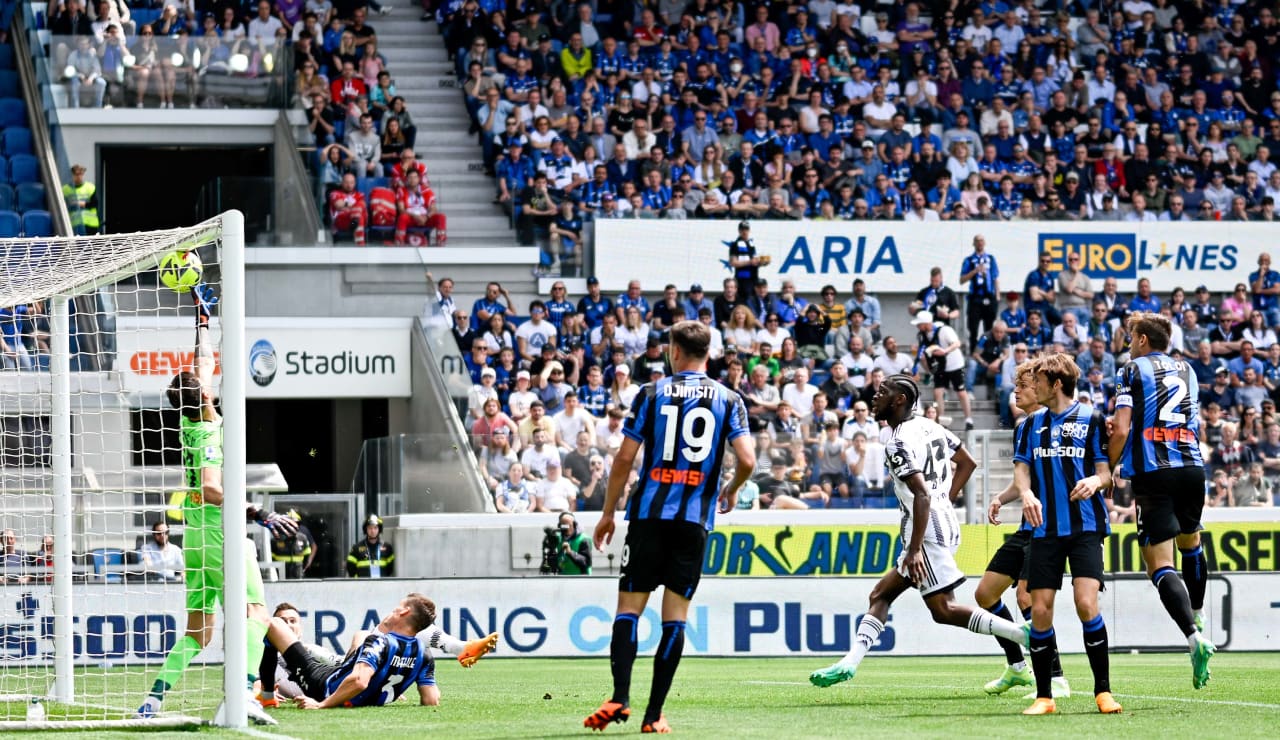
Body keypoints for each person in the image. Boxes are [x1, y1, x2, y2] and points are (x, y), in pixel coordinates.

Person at [584, 320, 755, 734]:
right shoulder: (730, 399)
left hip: (648, 517)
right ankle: (653, 715)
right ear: (708, 353)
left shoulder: (650, 393)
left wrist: (608, 512)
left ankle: (620, 697)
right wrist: (730, 490)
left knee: (629, 609)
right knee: (675, 619)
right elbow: (747, 459)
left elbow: (624, 459)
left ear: (674, 352)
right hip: (693, 521)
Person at [139, 283, 298, 725]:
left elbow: (202, 364)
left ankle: (153, 700)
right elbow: (212, 487)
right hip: (218, 531)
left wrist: (202, 320)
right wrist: (258, 512)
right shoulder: (209, 433)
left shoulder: (190, 419)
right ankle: (245, 693)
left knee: (199, 630)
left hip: (194, 539)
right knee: (255, 613)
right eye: (206, 384)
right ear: (205, 395)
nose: (209, 380)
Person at [808, 374, 1028, 689]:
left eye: (882, 392)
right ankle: (850, 662)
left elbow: (922, 495)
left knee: (943, 609)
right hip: (942, 522)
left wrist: (913, 550)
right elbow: (967, 463)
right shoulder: (931, 426)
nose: (874, 396)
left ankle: (1022, 635)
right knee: (881, 594)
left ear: (899, 400)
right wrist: (946, 499)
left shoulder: (896, 442)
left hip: (924, 531)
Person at [1107, 312, 1216, 688]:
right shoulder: (1188, 370)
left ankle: (1192, 636)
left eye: (1130, 336)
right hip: (1192, 467)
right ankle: (1199, 614)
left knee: (1160, 565)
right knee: (1191, 541)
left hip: (1154, 472)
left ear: (1140, 339)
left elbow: (1121, 427)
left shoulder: (1132, 369)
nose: (1127, 342)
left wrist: (1109, 465)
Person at [1012, 353, 1121, 716]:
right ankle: (1045, 697)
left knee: (1086, 604)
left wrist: (1095, 480)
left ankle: (1103, 692)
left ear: (1056, 383)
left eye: (1038, 380)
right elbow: (1022, 470)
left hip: (1086, 527)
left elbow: (1106, 473)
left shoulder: (1091, 419)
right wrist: (1026, 493)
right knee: (1040, 610)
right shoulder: (1029, 425)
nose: (1033, 384)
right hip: (1045, 529)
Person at [977, 359, 1069, 697]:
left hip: (1048, 527)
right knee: (985, 594)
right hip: (1026, 526)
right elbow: (1023, 479)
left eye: (1023, 387)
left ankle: (1057, 678)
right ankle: (1017, 667)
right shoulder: (1025, 426)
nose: (1016, 391)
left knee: (1027, 597)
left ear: (1042, 389)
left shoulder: (1058, 423)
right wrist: (1001, 498)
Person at [256, 601, 498, 707]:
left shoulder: (311, 650)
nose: (288, 625)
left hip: (330, 683)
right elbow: (256, 679)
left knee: (362, 635)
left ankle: (461, 648)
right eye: (285, 620)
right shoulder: (265, 655)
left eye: (292, 620)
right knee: (377, 631)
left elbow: (344, 667)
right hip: (337, 679)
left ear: (301, 625)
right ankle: (460, 648)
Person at [913, 310, 974, 430]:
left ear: (926, 323)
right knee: (938, 393)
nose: (918, 327)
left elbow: (957, 343)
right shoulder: (922, 335)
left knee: (961, 392)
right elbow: (923, 353)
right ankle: (941, 420)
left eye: (919, 324)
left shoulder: (944, 330)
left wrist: (945, 351)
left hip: (954, 364)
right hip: (939, 366)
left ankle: (968, 419)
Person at [960, 234, 1000, 352]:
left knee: (989, 327)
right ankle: (973, 352)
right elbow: (962, 280)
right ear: (974, 243)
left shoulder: (991, 259)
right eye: (977, 241)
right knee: (973, 329)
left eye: (982, 240)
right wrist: (975, 271)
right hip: (975, 298)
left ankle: (988, 352)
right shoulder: (969, 260)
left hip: (989, 296)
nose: (980, 243)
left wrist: (997, 296)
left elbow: (996, 278)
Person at [269, 510, 316, 580]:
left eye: (296, 524)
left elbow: (307, 555)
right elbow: (270, 559)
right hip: (281, 576)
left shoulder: (302, 538)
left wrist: (302, 569)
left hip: (298, 575)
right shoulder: (276, 539)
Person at [727, 221, 766, 297]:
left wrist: (762, 262)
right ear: (739, 231)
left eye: (746, 229)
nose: (744, 232)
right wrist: (750, 262)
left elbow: (754, 261)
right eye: (742, 230)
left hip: (754, 279)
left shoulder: (751, 244)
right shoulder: (735, 244)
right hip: (742, 280)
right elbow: (733, 263)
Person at [62, 164, 100, 235]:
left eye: (81, 174)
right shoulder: (65, 190)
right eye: (76, 174)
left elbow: (95, 203)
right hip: (74, 224)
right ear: (72, 175)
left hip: (90, 224)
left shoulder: (90, 187)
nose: (79, 177)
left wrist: (83, 204)